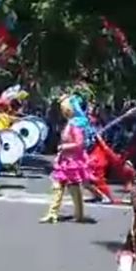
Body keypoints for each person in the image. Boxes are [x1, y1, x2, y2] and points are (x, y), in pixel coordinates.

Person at [39, 94, 93, 224]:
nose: (63, 111)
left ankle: (79, 214)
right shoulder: (69, 124)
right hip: (64, 161)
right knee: (57, 187)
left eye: (65, 108)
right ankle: (52, 213)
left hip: (73, 162)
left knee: (74, 189)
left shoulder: (76, 125)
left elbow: (79, 144)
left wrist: (64, 147)